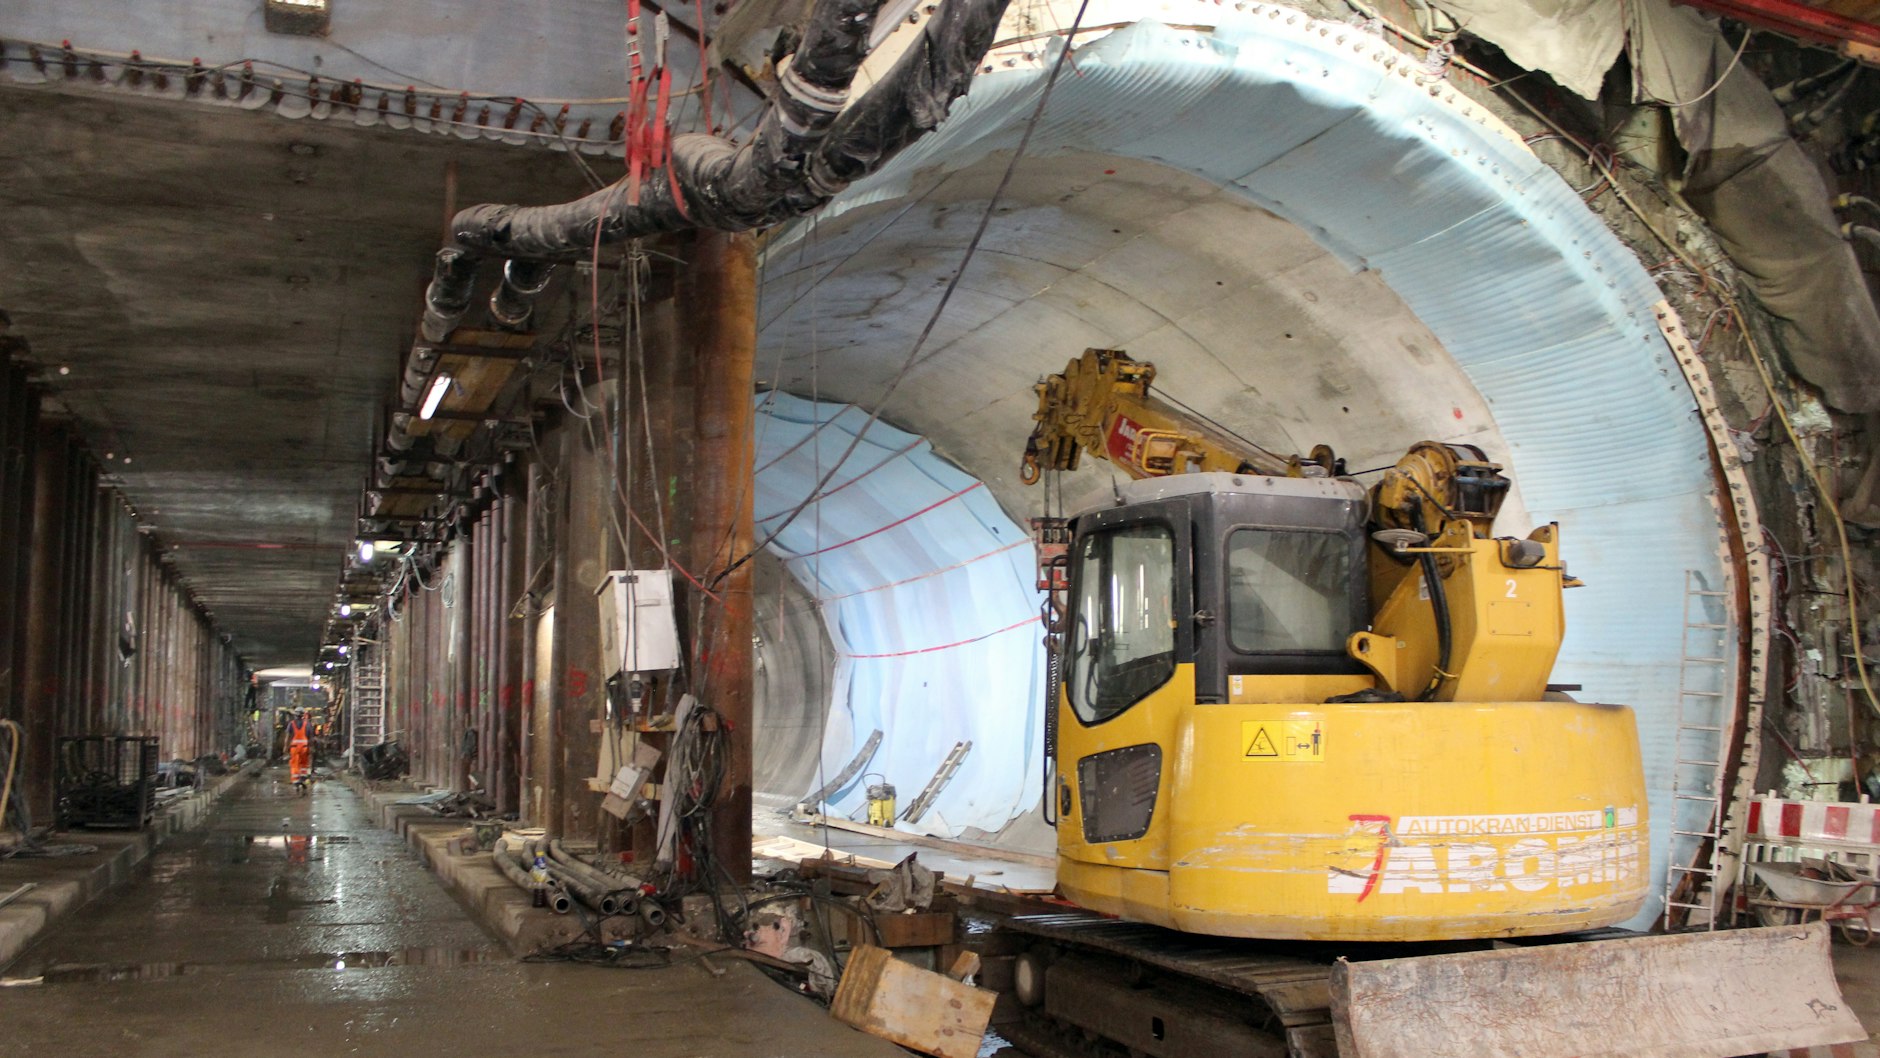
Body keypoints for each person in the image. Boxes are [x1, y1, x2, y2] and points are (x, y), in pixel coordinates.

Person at [287, 710, 313, 789]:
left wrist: (285, 746)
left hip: (294, 747)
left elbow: (287, 737)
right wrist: (311, 747)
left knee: (295, 764)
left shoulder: (291, 724)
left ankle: (296, 781)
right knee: (304, 763)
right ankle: (303, 778)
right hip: (304, 747)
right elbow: (310, 737)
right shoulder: (307, 724)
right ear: (302, 715)